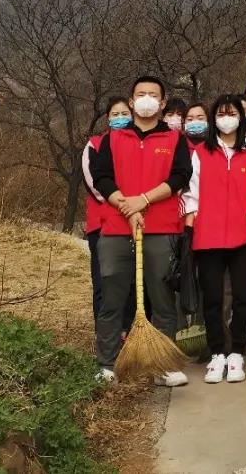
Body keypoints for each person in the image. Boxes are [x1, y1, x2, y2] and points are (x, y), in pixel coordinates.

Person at [90, 76, 195, 387]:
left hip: (161, 228)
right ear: (132, 102)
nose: (147, 99)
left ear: (162, 104)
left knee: (162, 298)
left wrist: (145, 201)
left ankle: (164, 365)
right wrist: (127, 207)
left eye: (153, 95)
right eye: (140, 94)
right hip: (115, 230)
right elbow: (101, 177)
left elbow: (181, 176)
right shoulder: (113, 138)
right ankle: (107, 364)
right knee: (112, 299)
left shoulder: (175, 141)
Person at [188, 94, 246, 384]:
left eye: (231, 112)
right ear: (213, 119)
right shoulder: (201, 153)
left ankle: (236, 353)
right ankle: (217, 353)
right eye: (220, 113)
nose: (226, 118)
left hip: (242, 234)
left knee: (243, 296)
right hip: (207, 235)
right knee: (211, 297)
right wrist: (193, 220)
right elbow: (190, 193)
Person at [81, 96, 132, 333]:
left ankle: (129, 332)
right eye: (115, 114)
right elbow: (95, 183)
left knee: (132, 282)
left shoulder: (138, 143)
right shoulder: (95, 144)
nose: (121, 118)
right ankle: (105, 334)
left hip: (136, 223)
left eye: (125, 114)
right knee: (103, 280)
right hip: (102, 223)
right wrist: (126, 203)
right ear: (107, 118)